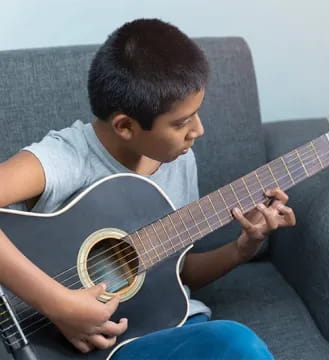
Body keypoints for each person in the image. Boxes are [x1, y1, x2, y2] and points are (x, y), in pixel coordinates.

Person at [0, 18, 296, 359]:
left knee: (236, 345)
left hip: (150, 335)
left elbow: (172, 270)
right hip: (49, 344)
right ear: (125, 126)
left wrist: (242, 249)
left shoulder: (180, 159)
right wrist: (59, 305)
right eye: (182, 122)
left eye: (197, 114)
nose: (197, 130)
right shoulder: (67, 157)